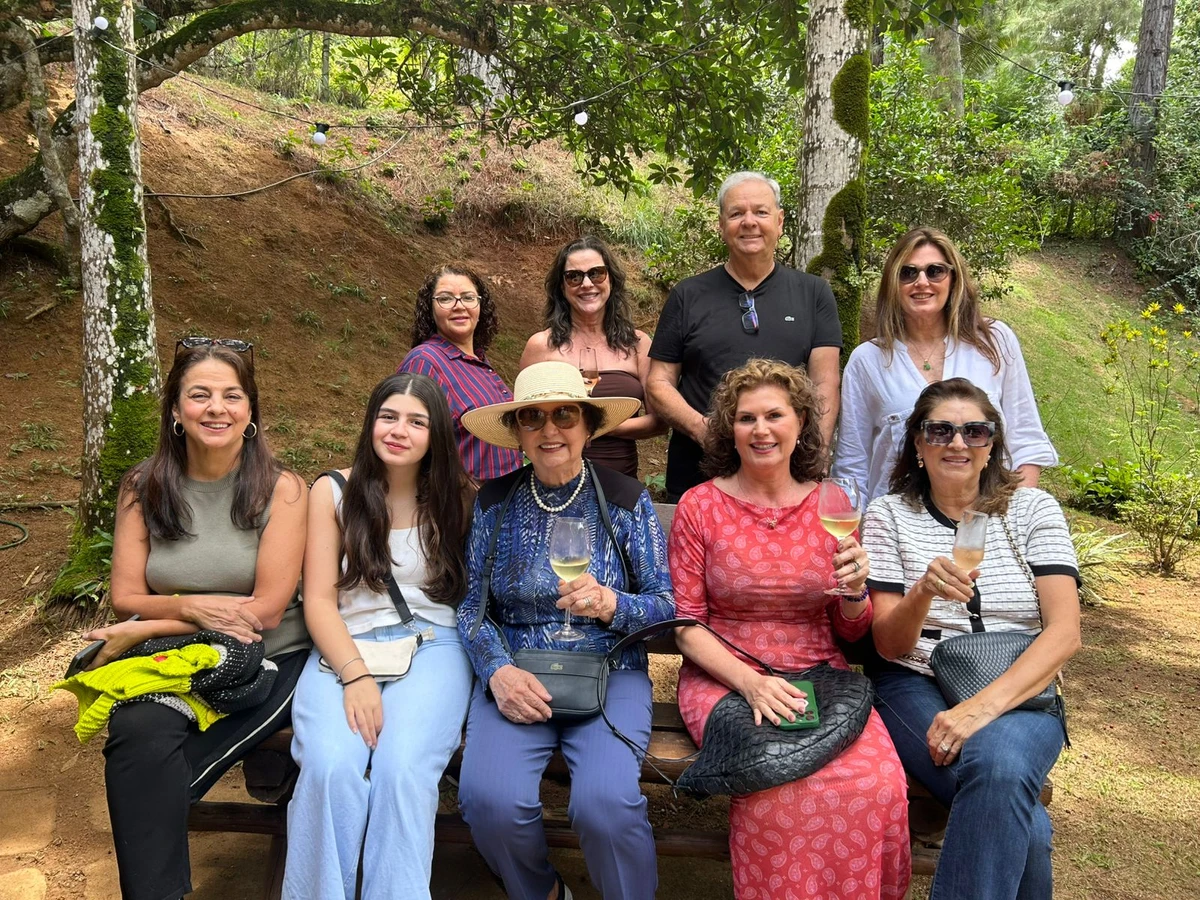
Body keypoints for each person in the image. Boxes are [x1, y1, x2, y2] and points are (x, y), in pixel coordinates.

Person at [669, 359, 911, 900]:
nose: (760, 430)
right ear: (729, 429)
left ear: (800, 422)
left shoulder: (831, 504)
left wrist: (854, 594)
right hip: (727, 674)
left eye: (774, 415)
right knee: (773, 782)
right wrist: (750, 683)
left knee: (876, 783)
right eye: (745, 417)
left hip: (821, 675)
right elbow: (687, 627)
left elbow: (850, 631)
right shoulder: (700, 506)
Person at [86, 338, 309, 900]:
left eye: (232, 396)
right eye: (200, 395)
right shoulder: (143, 487)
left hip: (271, 658)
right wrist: (186, 609)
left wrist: (152, 622)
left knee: (152, 775)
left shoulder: (282, 490)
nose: (217, 408)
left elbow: (264, 611)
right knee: (136, 733)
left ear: (251, 412)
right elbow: (125, 594)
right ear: (175, 410)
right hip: (175, 657)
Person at [455, 361, 675, 900]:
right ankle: (541, 892)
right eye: (533, 418)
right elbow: (470, 610)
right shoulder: (494, 500)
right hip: (519, 672)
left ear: (587, 425)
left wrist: (612, 603)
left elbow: (666, 606)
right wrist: (497, 670)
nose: (550, 430)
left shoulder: (625, 499)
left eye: (565, 415)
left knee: (604, 804)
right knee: (489, 799)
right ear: (518, 433)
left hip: (609, 668)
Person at [862, 377, 1081, 900]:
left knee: (1000, 768)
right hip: (914, 680)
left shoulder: (1033, 510)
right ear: (917, 443)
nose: (957, 443)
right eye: (939, 430)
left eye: (974, 431)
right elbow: (889, 646)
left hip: (1020, 688)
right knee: (1024, 817)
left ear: (991, 446)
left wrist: (978, 709)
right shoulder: (888, 515)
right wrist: (921, 593)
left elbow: (1065, 631)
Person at [283, 373, 475, 899]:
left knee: (402, 770)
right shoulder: (334, 492)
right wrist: (355, 675)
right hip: (345, 648)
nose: (399, 430)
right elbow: (319, 600)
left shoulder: (458, 498)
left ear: (436, 434)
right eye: (388, 416)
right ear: (370, 421)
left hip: (434, 644)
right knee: (329, 767)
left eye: (416, 421)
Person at [647, 171, 843, 501]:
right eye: (737, 213)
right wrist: (704, 430)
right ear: (721, 225)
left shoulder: (813, 293)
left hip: (786, 479)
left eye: (761, 212)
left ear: (779, 222)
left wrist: (815, 456)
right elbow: (658, 382)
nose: (749, 222)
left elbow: (825, 383)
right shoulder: (688, 295)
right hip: (698, 475)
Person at [832, 226, 1057, 505]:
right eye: (908, 272)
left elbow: (1025, 441)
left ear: (953, 278)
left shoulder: (994, 342)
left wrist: (1016, 516)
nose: (921, 282)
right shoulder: (868, 360)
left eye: (935, 271)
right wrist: (862, 533)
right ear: (893, 283)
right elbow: (852, 465)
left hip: (985, 520)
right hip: (898, 527)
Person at [520, 235, 664, 477]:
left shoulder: (638, 344)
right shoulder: (540, 346)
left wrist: (596, 426)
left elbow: (659, 423)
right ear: (562, 287)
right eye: (574, 276)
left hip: (620, 483)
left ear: (611, 280)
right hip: (555, 480)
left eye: (596, 273)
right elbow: (524, 421)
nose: (586, 283)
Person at [398, 263, 522, 482]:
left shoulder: (479, 360)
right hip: (462, 506)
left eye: (468, 297)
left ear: (480, 306)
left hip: (502, 503)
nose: (459, 306)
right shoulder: (426, 362)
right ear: (430, 309)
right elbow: (404, 445)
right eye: (445, 298)